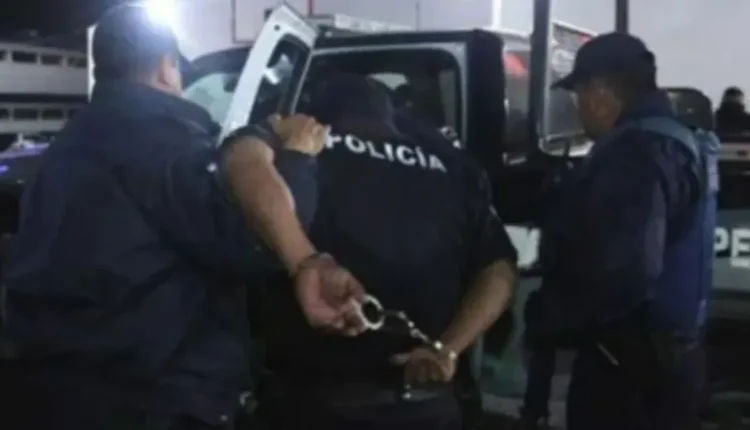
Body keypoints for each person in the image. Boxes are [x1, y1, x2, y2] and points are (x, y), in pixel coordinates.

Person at [2, 5, 365, 430]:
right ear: (165, 67)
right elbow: (254, 242)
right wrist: (298, 159)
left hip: (57, 390)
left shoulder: (69, 143)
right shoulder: (167, 142)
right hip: (149, 398)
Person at [256, 74, 518, 430]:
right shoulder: (454, 166)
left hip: (316, 405)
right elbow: (499, 268)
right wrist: (448, 348)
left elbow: (248, 230)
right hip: (424, 401)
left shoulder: (300, 152)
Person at [524, 33, 718, 430]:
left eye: (578, 93)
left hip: (628, 371)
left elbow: (624, 271)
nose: (578, 107)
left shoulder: (634, 153)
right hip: (674, 360)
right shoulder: (680, 138)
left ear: (599, 91)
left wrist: (552, 317)